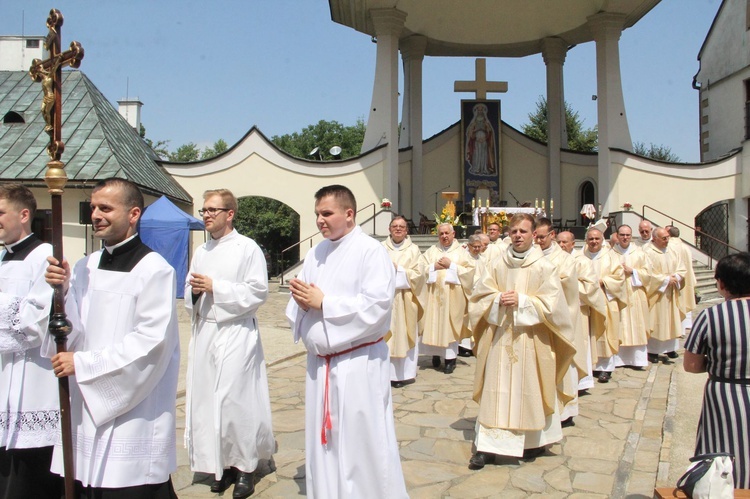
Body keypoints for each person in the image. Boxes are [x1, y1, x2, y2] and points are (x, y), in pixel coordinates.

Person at [44, 178, 180, 497]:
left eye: (106, 208)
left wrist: (84, 363)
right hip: (85, 400)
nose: (96, 215)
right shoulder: (84, 266)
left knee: (126, 486)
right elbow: (73, 327)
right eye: (93, 208)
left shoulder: (155, 270)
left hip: (134, 406)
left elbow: (150, 343)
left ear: (133, 214)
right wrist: (61, 291)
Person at [285, 185, 407, 498]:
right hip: (322, 366)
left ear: (349, 214)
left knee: (359, 442)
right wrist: (300, 301)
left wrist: (325, 303)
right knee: (325, 440)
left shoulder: (370, 250)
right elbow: (308, 297)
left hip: (357, 364)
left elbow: (378, 307)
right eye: (317, 215)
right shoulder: (317, 252)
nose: (320, 221)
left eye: (327, 213)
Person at [185, 189, 274, 498]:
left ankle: (246, 468)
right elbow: (189, 290)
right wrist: (195, 292)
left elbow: (257, 292)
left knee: (235, 401)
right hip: (206, 332)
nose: (207, 215)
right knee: (209, 401)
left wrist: (215, 287)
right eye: (204, 210)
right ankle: (221, 465)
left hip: (236, 331)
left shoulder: (247, 248)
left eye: (213, 210)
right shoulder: (201, 251)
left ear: (230, 213)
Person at [468, 213, 574, 468]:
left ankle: (532, 443)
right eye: (514, 231)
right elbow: (479, 295)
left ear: (533, 235)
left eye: (523, 231)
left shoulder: (544, 266)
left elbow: (554, 306)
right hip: (501, 336)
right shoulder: (497, 264)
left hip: (532, 340)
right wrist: (496, 300)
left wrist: (524, 301)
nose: (518, 236)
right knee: (496, 389)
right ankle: (487, 447)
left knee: (530, 388)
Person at [0, 185, 61, 498]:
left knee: (30, 479)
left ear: (24, 215)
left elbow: (32, 326)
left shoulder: (45, 257)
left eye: (0, 213)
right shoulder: (2, 258)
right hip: (4, 380)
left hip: (33, 382)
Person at [684, 252, 750, 489]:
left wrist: (717, 364)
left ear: (722, 284)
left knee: (720, 451)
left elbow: (691, 365)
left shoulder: (710, 316)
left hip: (724, 393)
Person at [535, 219, 584, 427]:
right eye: (535, 236)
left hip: (560, 320)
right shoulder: (532, 255)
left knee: (563, 363)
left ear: (552, 235)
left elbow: (567, 286)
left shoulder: (564, 259)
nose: (537, 240)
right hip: (538, 319)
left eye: (542, 237)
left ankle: (567, 411)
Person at [419, 223, 476, 373]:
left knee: (449, 327)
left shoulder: (462, 252)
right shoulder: (432, 251)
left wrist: (451, 266)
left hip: (453, 297)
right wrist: (433, 267)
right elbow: (421, 268)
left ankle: (450, 359)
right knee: (434, 324)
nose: (444, 236)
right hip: (433, 297)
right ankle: (435, 355)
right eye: (441, 234)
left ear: (453, 234)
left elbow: (470, 272)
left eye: (446, 233)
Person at [557, 231, 608, 392]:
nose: (561, 245)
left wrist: (567, 286)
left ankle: (581, 382)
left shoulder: (582, 262)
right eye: (558, 242)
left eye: (565, 242)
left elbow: (590, 287)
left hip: (578, 311)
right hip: (559, 311)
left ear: (573, 244)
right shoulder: (552, 260)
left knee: (580, 345)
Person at [382, 215, 425, 388]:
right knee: (386, 336)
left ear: (406, 230)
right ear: (389, 229)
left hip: (407, 299)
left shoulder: (414, 250)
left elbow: (419, 274)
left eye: (401, 226)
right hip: (385, 300)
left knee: (405, 333)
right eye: (395, 226)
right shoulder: (380, 248)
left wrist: (398, 270)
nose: (398, 229)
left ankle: (403, 374)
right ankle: (385, 374)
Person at [582, 228, 627, 383]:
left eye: (597, 239)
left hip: (606, 300)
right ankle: (592, 366)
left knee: (606, 333)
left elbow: (619, 277)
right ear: (586, 240)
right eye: (591, 239)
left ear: (603, 240)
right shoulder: (581, 257)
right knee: (589, 333)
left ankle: (606, 368)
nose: (594, 242)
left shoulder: (611, 257)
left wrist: (603, 282)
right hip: (586, 302)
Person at [611, 225, 651, 368]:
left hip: (635, 293)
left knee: (637, 324)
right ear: (617, 235)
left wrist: (633, 271)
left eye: (628, 235)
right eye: (622, 235)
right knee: (620, 325)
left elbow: (648, 273)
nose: (625, 238)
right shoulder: (611, 253)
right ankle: (618, 360)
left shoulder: (639, 253)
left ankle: (637, 360)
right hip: (618, 294)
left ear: (631, 235)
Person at [644, 228, 686, 363]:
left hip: (672, 291)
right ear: (654, 238)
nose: (667, 240)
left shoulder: (672, 250)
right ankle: (653, 351)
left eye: (667, 237)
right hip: (657, 293)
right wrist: (666, 280)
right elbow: (646, 273)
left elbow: (681, 267)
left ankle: (670, 348)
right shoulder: (647, 252)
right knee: (657, 321)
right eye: (664, 238)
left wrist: (677, 277)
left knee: (671, 320)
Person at [666, 225, 697, 334]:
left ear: (669, 233)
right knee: (684, 302)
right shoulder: (684, 246)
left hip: (675, 279)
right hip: (685, 278)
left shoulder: (670, 246)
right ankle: (684, 326)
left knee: (677, 304)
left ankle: (678, 329)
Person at [465, 103, 497, 176]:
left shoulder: (486, 122)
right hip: (476, 141)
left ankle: (484, 169)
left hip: (484, 141)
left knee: (483, 155)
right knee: (476, 154)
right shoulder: (474, 122)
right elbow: (469, 132)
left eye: (481, 110)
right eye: (478, 111)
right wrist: (475, 134)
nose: (480, 112)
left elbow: (490, 131)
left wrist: (485, 136)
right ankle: (476, 168)